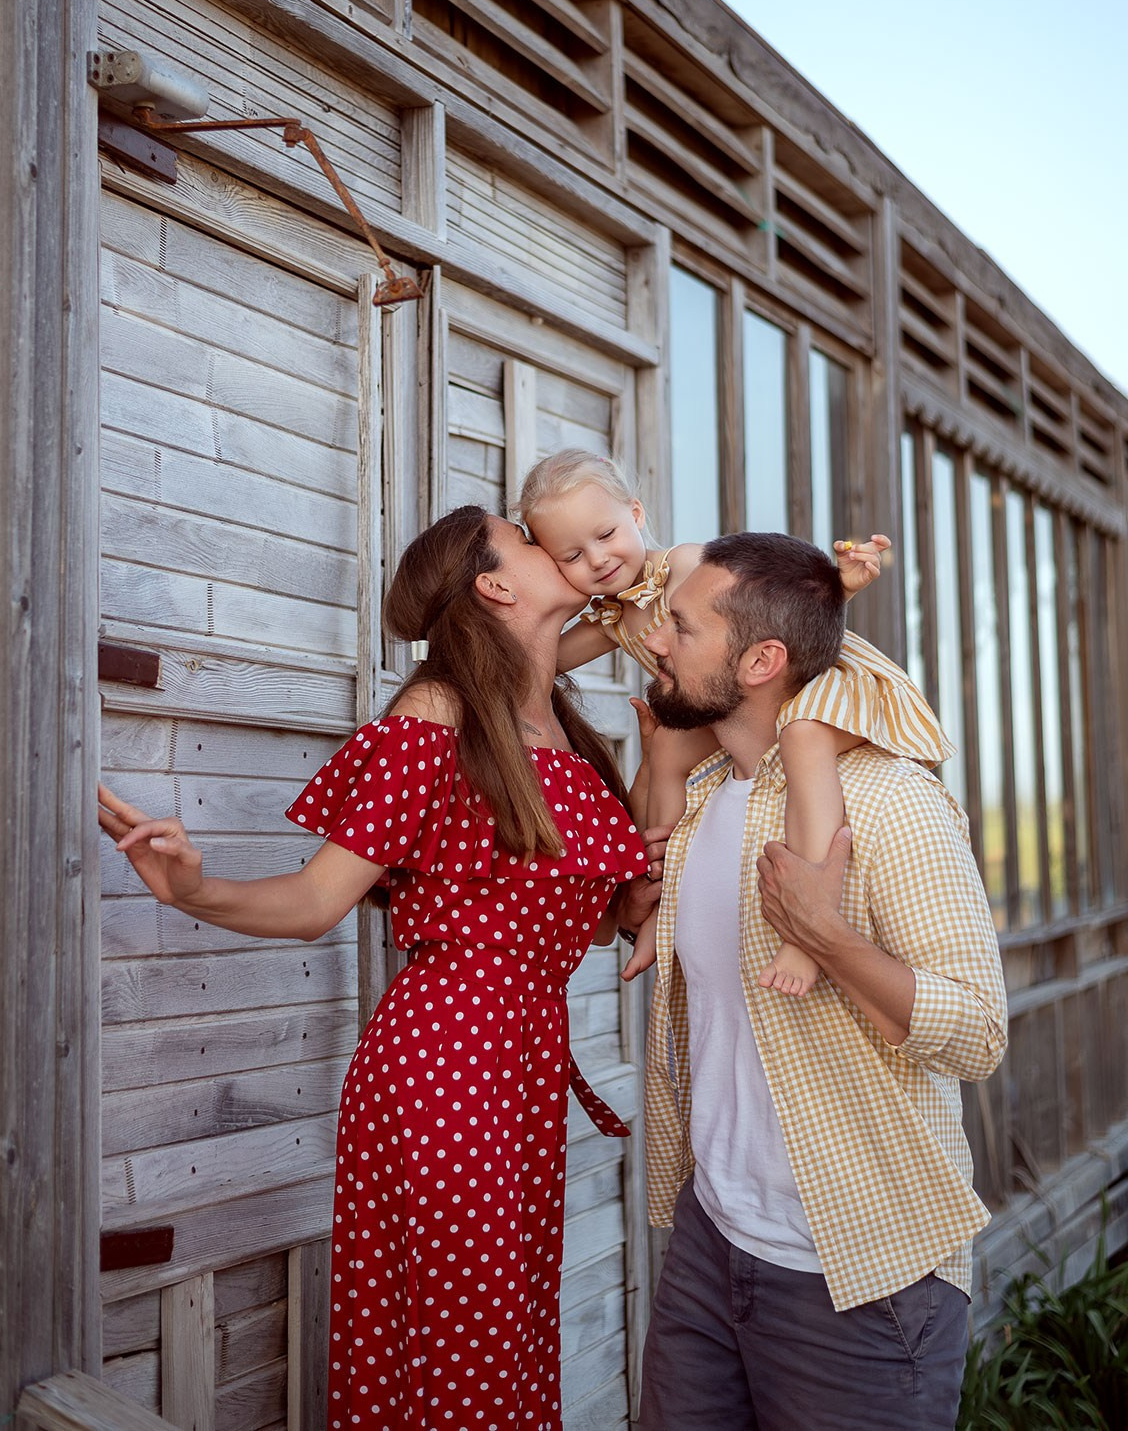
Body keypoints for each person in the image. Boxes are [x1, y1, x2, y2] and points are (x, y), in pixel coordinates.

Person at [98, 505, 660, 1431]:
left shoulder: (552, 716)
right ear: (495, 584)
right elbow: (316, 900)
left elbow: (571, 919)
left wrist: (629, 905)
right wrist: (195, 890)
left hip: (524, 1060)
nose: (550, 541)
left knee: (507, 1335)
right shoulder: (436, 713)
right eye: (527, 537)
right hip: (447, 1058)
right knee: (465, 1345)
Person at [635, 531, 1009, 1431]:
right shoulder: (704, 800)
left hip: (864, 1277)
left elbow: (979, 1032)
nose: (656, 642)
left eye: (682, 628)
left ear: (761, 662)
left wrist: (827, 940)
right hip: (710, 1243)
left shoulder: (889, 802)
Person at [514, 448, 947, 990]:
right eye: (572, 556)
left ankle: (807, 928)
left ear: (636, 513)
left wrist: (842, 586)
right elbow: (542, 659)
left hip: (810, 682)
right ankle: (657, 910)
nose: (598, 559)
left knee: (802, 739)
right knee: (665, 751)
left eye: (606, 534)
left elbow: (765, 606)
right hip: (731, 701)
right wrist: (536, 601)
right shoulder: (611, 617)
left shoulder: (685, 565)